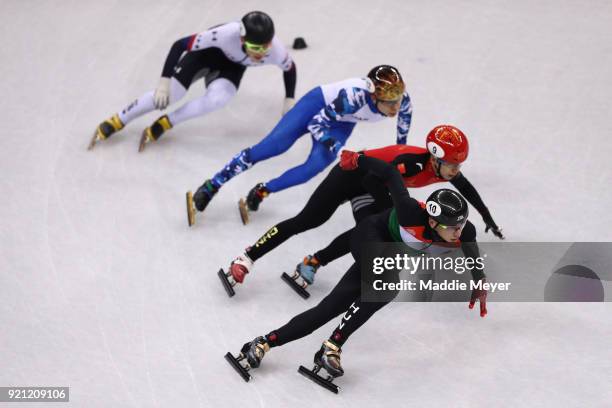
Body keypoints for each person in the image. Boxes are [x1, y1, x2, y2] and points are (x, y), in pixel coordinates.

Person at [227, 153, 488, 384]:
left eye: (461, 225)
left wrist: (479, 281)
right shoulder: (409, 211)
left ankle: (264, 342)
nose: (459, 232)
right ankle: (333, 344)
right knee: (388, 286)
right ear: (432, 220)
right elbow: (388, 173)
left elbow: (472, 252)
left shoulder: (464, 232)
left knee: (329, 308)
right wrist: (357, 160)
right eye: (453, 227)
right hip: (369, 235)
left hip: (387, 254)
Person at [224, 125, 503, 292]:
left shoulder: (446, 170)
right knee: (306, 221)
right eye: (453, 165)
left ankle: (313, 262)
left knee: (367, 231)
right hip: (350, 177)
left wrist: (487, 217)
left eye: (459, 166)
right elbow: (371, 177)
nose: (457, 171)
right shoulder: (414, 162)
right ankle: (246, 257)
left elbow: (466, 190)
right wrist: (390, 211)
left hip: (372, 185)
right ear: (436, 159)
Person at [188, 65, 413, 223]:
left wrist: (399, 161)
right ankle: (212, 184)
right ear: (373, 97)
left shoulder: (403, 103)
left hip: (341, 121)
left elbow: (401, 140)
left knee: (311, 169)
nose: (395, 108)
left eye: (398, 100)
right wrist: (335, 145)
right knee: (270, 148)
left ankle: (263, 190)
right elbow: (316, 124)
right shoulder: (353, 97)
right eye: (390, 103)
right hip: (317, 107)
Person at [88, 11, 296, 151]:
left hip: (231, 68)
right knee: (169, 96)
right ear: (242, 39)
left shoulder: (275, 50)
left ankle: (168, 122)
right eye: (257, 48)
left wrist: (289, 98)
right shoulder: (224, 34)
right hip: (203, 56)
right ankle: (118, 120)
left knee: (218, 100)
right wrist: (164, 81)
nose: (262, 53)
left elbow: (290, 69)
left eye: (266, 47)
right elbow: (179, 45)